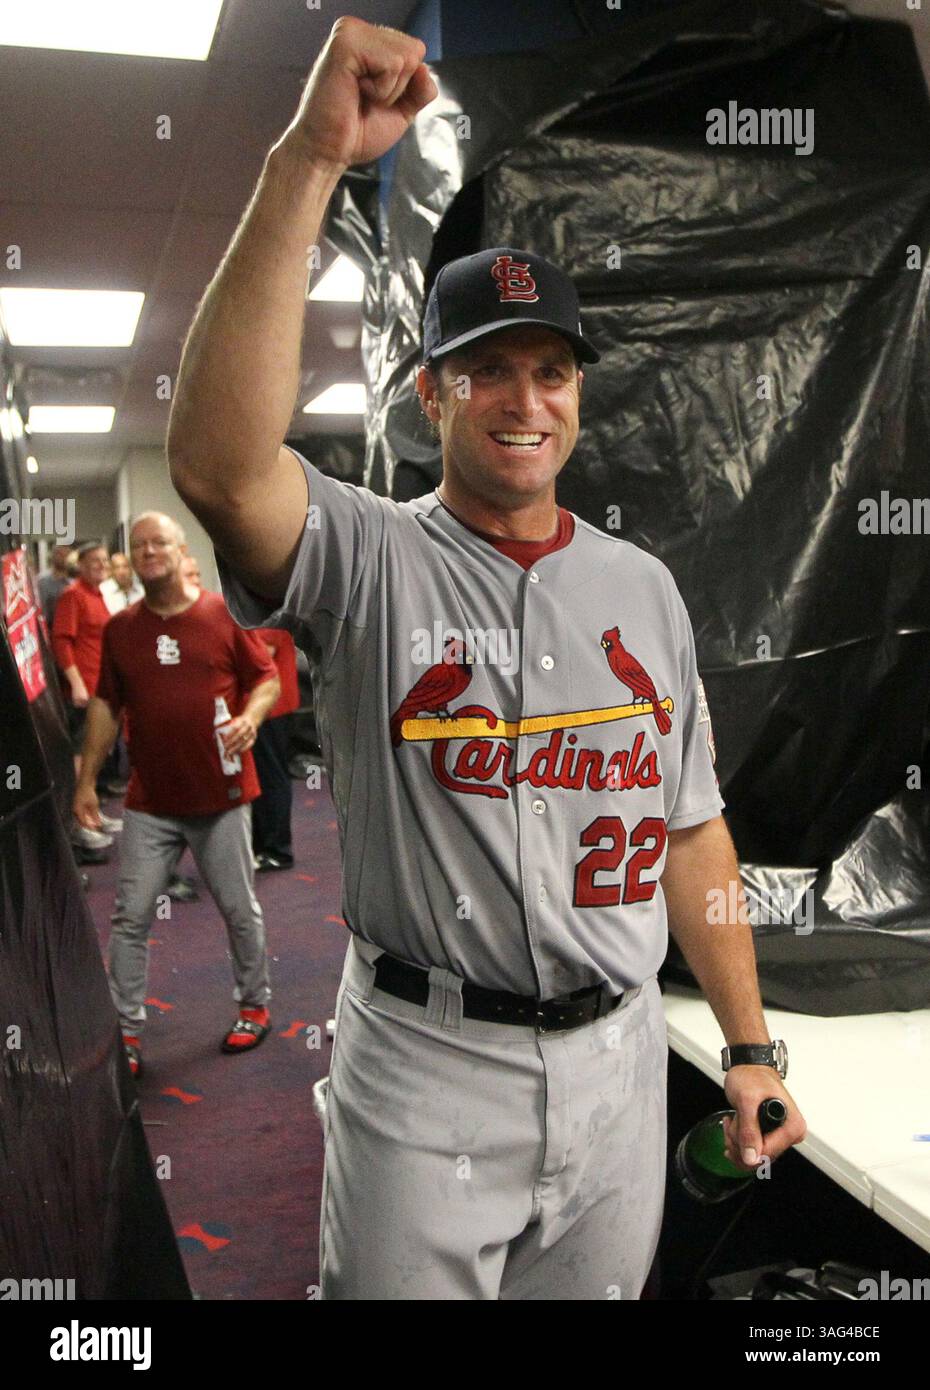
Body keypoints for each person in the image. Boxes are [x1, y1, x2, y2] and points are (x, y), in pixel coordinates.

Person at [166, 16, 807, 1300]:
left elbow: (693, 833)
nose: (527, 399)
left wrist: (748, 1044)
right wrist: (309, 158)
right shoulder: (370, 558)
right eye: (489, 372)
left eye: (553, 370)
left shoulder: (643, 588)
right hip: (428, 1061)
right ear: (431, 396)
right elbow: (223, 468)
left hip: (621, 1058)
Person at [72, 510, 280, 1078]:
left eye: (157, 542)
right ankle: (129, 1033)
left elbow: (267, 678)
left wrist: (252, 717)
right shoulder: (121, 630)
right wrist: (86, 780)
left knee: (239, 911)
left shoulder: (221, 615)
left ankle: (254, 1006)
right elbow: (105, 706)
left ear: (179, 548)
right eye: (138, 546)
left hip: (222, 795)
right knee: (129, 917)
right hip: (151, 803)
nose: (147, 553)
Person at [52, 539, 120, 854]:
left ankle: (91, 813)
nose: (102, 566)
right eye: (95, 561)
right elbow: (62, 641)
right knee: (80, 760)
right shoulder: (73, 595)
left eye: (105, 561)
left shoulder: (99, 595)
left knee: (97, 757)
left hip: (102, 692)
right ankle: (77, 824)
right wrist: (76, 683)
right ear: (80, 565)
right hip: (83, 693)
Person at [250, 627, 299, 870]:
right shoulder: (255, 611)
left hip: (272, 708)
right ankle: (263, 845)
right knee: (262, 775)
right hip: (264, 707)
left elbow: (259, 657)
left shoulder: (267, 614)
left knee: (271, 777)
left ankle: (277, 849)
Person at [37, 543, 75, 628]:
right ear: (53, 556)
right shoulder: (43, 581)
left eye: (66, 555)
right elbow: (41, 611)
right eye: (60, 554)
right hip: (50, 628)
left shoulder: (73, 583)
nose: (63, 558)